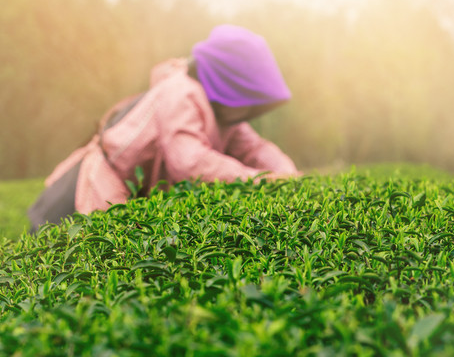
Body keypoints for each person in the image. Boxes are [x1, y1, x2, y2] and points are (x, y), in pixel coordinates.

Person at [27, 24, 299, 232]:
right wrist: (261, 182)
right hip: (86, 192)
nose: (246, 111)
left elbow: (255, 148)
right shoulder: (180, 93)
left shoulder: (223, 112)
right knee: (61, 255)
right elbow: (190, 162)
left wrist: (289, 175)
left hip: (129, 192)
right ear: (228, 83)